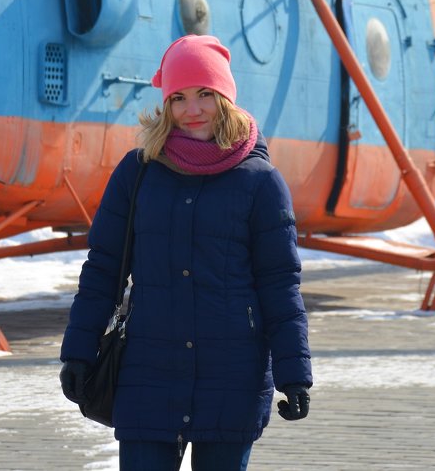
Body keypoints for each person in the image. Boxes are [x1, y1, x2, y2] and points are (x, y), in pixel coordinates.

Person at [60, 34, 313, 471]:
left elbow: (279, 284)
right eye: (177, 98)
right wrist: (78, 352)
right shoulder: (137, 173)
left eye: (204, 95)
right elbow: (102, 269)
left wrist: (295, 375)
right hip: (147, 372)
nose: (191, 110)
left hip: (231, 375)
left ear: (225, 98)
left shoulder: (260, 182)